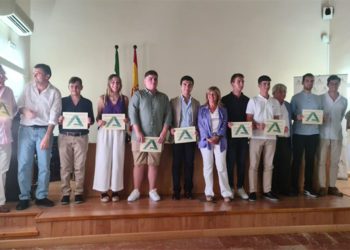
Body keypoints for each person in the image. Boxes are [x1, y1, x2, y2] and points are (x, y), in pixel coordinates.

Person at [16, 64, 62, 210]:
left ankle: (41, 196)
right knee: (24, 164)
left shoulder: (54, 92)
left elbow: (53, 117)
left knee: (44, 166)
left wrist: (48, 136)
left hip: (44, 131)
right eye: (34, 73)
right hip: (25, 130)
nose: (35, 75)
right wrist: (25, 111)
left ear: (47, 76)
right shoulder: (28, 87)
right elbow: (19, 105)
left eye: (38, 73)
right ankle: (24, 196)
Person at [127, 70, 172, 202]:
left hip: (156, 138)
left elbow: (168, 116)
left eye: (155, 79)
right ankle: (136, 190)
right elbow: (132, 114)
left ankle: (152, 190)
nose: (153, 81)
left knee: (153, 164)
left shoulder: (164, 97)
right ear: (145, 80)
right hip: (139, 137)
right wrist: (138, 131)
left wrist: (164, 133)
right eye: (150, 79)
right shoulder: (137, 95)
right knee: (139, 164)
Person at [58, 77, 95, 205]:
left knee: (80, 166)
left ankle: (79, 192)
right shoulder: (62, 101)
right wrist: (59, 119)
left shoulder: (87, 102)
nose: (75, 89)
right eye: (72, 86)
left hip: (81, 137)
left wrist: (89, 121)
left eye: (77, 86)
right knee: (65, 167)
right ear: (68, 87)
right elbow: (56, 117)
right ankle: (65, 193)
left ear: (82, 87)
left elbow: (92, 120)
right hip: (64, 137)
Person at [93, 74, 128, 202]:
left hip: (119, 133)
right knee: (104, 160)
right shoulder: (103, 98)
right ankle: (103, 191)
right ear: (109, 84)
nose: (115, 84)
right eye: (113, 82)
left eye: (118, 82)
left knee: (117, 161)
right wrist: (99, 122)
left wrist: (126, 120)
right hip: (105, 133)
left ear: (120, 84)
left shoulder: (125, 99)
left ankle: (115, 190)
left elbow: (127, 116)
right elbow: (98, 116)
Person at [246, 75, 281, 202]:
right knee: (254, 165)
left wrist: (275, 127)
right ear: (259, 85)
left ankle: (267, 190)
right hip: (256, 137)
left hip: (271, 138)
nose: (267, 86)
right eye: (264, 84)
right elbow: (249, 119)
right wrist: (256, 125)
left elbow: (277, 120)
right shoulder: (253, 100)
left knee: (269, 165)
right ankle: (252, 191)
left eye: (268, 84)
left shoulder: (275, 102)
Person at [198, 86, 233, 202]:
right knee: (208, 167)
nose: (211, 97)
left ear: (217, 96)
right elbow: (200, 126)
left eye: (213, 94)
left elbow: (224, 124)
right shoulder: (202, 109)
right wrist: (209, 138)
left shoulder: (223, 109)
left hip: (220, 141)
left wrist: (217, 137)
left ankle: (226, 193)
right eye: (209, 94)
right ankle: (209, 193)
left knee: (221, 166)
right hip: (206, 141)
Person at [290, 73, 322, 198]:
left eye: (312, 81)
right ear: (303, 82)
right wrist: (296, 117)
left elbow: (320, 114)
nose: (310, 83)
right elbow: (291, 115)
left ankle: (308, 188)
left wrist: (322, 118)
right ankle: (294, 187)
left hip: (313, 133)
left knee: (310, 161)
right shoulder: (295, 97)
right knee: (296, 161)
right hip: (299, 133)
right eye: (307, 81)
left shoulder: (318, 98)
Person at [170, 75, 200, 200]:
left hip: (190, 138)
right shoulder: (173, 101)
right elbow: (168, 118)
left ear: (192, 86)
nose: (187, 87)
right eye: (184, 84)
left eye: (189, 85)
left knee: (189, 164)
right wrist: (170, 128)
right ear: (181, 86)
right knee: (176, 164)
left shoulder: (196, 103)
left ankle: (188, 190)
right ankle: (176, 191)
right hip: (177, 137)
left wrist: (198, 131)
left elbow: (199, 121)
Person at [318, 75, 347, 196]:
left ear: (339, 84)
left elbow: (340, 117)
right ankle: (321, 186)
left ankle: (332, 186)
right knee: (321, 161)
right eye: (332, 83)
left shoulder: (344, 100)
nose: (334, 86)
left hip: (336, 134)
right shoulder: (320, 98)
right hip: (323, 134)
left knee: (335, 161)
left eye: (336, 83)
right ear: (328, 84)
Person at [221, 73, 249, 200]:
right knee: (230, 163)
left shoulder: (248, 100)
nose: (241, 84)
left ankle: (240, 187)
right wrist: (227, 124)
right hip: (230, 138)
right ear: (232, 83)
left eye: (242, 81)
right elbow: (222, 119)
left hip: (243, 138)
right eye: (239, 81)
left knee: (242, 163)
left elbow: (249, 119)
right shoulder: (225, 100)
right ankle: (231, 187)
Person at [0, 65, 17, 213]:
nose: (2, 78)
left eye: (2, 75)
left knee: (3, 170)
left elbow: (14, 110)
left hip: (6, 138)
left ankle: (1, 202)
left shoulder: (9, 91)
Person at [271, 83, 292, 195]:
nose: (282, 94)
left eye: (284, 91)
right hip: (275, 139)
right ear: (273, 93)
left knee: (286, 165)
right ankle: (274, 189)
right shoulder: (270, 105)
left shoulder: (288, 105)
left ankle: (285, 189)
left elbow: (293, 117)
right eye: (279, 91)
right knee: (274, 165)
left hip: (287, 139)